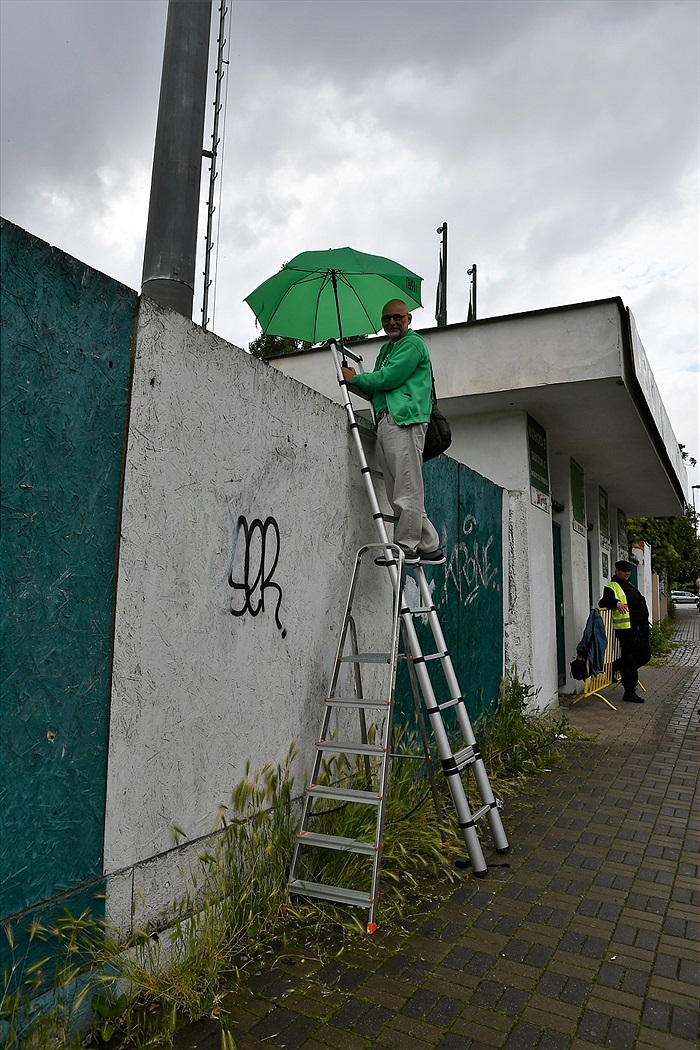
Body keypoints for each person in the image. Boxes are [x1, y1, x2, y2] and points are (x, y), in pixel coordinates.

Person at [341, 300, 445, 567]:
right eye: (386, 318)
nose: (391, 322)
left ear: (408, 318)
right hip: (387, 421)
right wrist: (356, 380)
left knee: (407, 490)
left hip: (405, 421)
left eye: (397, 317)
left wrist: (356, 379)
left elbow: (389, 378)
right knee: (399, 489)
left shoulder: (412, 344)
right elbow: (379, 386)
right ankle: (430, 545)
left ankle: (407, 548)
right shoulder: (387, 349)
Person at [599, 560, 651, 703]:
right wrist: (616, 603)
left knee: (645, 655)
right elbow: (603, 602)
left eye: (628, 570)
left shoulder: (629, 585)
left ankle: (615, 667)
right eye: (624, 570)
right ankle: (629, 691)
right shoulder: (612, 587)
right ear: (617, 571)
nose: (627, 573)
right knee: (631, 659)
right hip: (627, 630)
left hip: (640, 628)